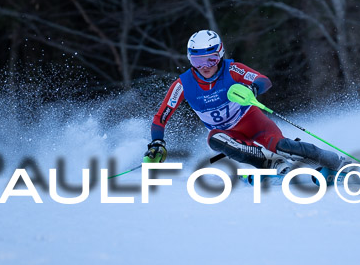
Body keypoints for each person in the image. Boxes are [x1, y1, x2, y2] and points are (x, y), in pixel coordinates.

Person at [144, 30, 344, 174]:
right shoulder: (183, 84)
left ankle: (336, 161)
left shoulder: (232, 70)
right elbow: (160, 117)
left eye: (211, 60)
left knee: (282, 145)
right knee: (215, 139)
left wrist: (252, 88)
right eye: (198, 62)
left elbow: (264, 80)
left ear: (220, 55)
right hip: (230, 135)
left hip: (253, 122)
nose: (205, 67)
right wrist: (157, 142)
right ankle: (271, 163)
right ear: (190, 60)